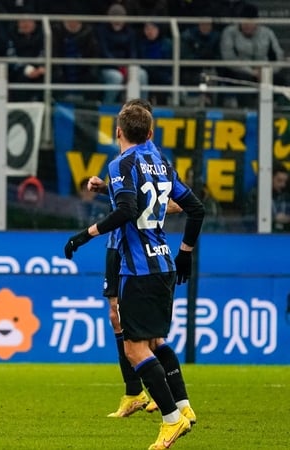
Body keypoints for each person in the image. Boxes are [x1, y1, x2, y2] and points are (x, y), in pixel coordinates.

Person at [63, 104, 204, 450]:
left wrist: (86, 234)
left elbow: (127, 211)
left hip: (138, 267)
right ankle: (184, 407)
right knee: (155, 342)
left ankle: (171, 420)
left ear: (118, 132)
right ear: (151, 133)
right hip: (165, 262)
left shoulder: (121, 164)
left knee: (134, 348)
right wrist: (185, 253)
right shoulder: (161, 163)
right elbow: (194, 208)